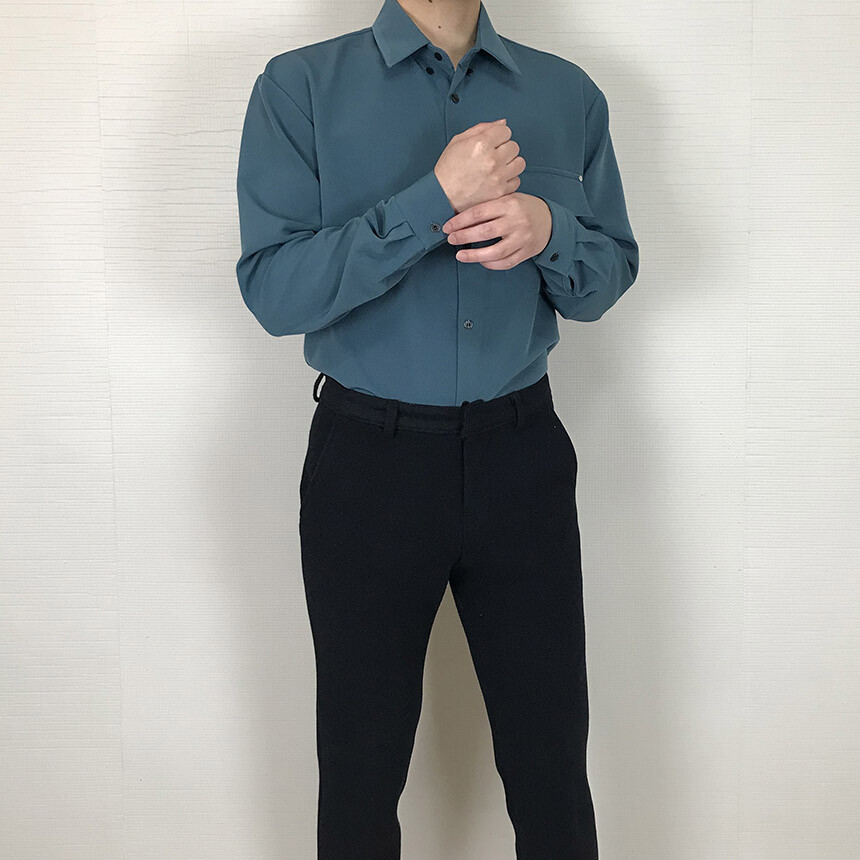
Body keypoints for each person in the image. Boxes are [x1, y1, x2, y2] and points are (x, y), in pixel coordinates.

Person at [234, 0, 639, 856]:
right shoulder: (299, 88)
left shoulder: (567, 93)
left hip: (521, 456)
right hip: (367, 465)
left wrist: (550, 229)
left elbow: (607, 277)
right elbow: (274, 293)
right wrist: (433, 201)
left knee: (552, 766)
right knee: (361, 769)